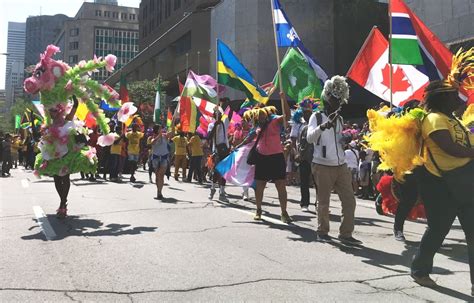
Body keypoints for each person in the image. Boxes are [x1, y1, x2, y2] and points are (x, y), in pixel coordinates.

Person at [411, 76, 474, 291]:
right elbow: (450, 148)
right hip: (442, 184)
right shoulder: (434, 119)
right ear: (443, 98)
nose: (459, 99)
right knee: (438, 229)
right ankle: (420, 270)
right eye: (454, 95)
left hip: (465, 183)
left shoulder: (455, 121)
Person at [306, 75, 362, 245]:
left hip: (341, 165)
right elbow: (309, 138)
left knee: (349, 201)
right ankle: (322, 231)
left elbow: (337, 141)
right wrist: (323, 127)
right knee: (323, 202)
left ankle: (346, 234)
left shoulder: (340, 119)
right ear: (327, 97)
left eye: (340, 100)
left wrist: (345, 139)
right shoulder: (316, 117)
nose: (338, 103)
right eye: (335, 99)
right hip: (322, 165)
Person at [239, 96, 292, 223]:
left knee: (281, 185)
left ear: (266, 113)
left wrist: (283, 99)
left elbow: (287, 116)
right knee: (260, 185)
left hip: (276, 156)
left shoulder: (274, 121)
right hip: (262, 157)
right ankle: (258, 210)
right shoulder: (257, 126)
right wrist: (237, 147)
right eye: (257, 115)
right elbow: (249, 139)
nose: (259, 116)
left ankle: (284, 212)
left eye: (261, 114)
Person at [292, 98, 318, 212]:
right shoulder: (298, 124)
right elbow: (293, 140)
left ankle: (319, 203)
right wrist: (296, 153)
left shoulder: (317, 122)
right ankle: (304, 203)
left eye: (309, 111)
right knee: (304, 180)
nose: (308, 113)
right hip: (303, 155)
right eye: (306, 111)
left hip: (316, 156)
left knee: (318, 181)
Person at [207, 107, 230, 201]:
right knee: (216, 171)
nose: (219, 117)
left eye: (220, 115)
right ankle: (212, 188)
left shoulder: (224, 124)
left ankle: (222, 192)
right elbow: (209, 137)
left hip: (224, 150)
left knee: (224, 171)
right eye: (216, 115)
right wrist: (215, 126)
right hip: (216, 151)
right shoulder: (211, 125)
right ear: (213, 116)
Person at [148, 124, 172, 200]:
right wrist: (159, 135)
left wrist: (174, 120)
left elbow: (173, 133)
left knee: (160, 175)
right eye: (160, 129)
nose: (161, 130)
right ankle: (158, 191)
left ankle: (159, 192)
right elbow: (152, 143)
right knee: (157, 176)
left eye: (162, 128)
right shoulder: (151, 137)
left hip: (164, 157)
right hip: (155, 158)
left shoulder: (165, 136)